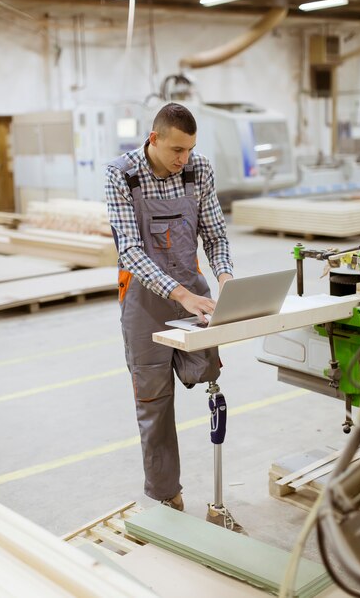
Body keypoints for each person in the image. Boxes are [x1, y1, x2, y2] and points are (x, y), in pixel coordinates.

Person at [106, 103, 244, 531]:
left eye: (190, 149)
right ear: (154, 139)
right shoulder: (122, 174)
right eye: (176, 150)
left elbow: (215, 234)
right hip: (144, 304)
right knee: (154, 404)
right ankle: (168, 497)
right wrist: (178, 294)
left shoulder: (197, 170)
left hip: (194, 293)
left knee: (212, 383)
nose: (184, 158)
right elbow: (129, 249)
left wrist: (225, 281)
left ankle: (219, 499)